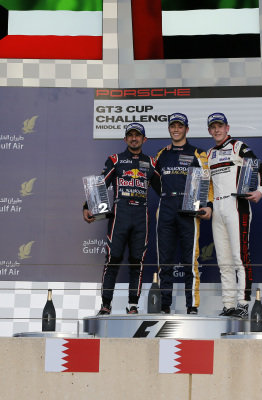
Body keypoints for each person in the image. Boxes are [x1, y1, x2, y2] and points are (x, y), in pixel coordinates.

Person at [83, 123, 160, 315]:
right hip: (120, 214)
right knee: (113, 259)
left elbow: (164, 191)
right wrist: (87, 206)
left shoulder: (151, 162)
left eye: (138, 135)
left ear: (144, 139)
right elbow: (101, 183)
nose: (134, 138)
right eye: (130, 135)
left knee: (137, 261)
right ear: (125, 139)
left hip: (141, 216)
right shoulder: (115, 160)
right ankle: (105, 304)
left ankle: (133, 305)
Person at [206, 112, 262, 319]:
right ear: (209, 130)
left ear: (227, 128)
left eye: (220, 126)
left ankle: (242, 304)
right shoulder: (209, 154)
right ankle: (228, 305)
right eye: (213, 127)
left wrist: (260, 191)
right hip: (217, 208)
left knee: (239, 257)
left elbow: (261, 169)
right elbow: (203, 186)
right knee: (223, 261)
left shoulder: (238, 146)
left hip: (236, 204)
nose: (217, 130)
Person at [155, 113, 211, 314]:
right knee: (165, 260)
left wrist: (208, 204)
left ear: (187, 129)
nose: (176, 129)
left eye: (180, 126)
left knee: (190, 260)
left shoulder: (198, 153)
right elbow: (154, 180)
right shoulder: (162, 153)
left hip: (190, 208)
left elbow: (206, 181)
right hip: (167, 206)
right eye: (173, 126)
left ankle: (192, 306)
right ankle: (164, 305)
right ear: (169, 129)